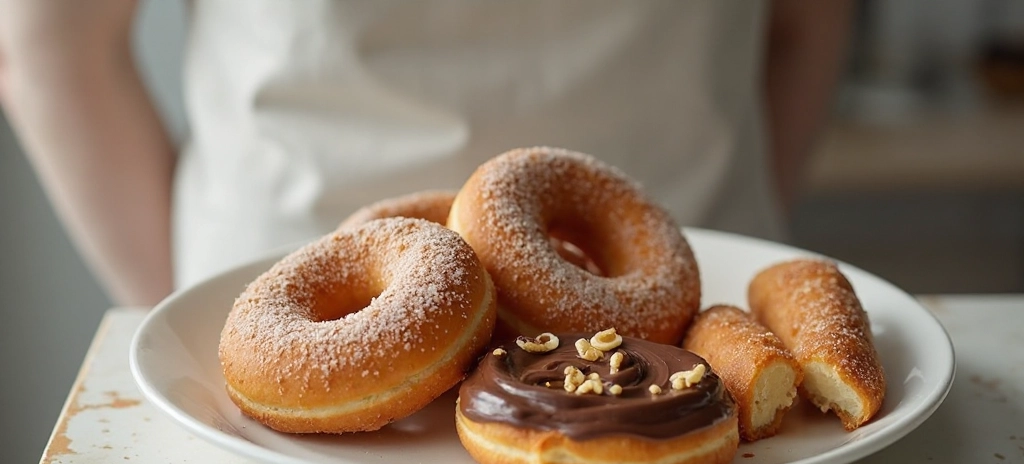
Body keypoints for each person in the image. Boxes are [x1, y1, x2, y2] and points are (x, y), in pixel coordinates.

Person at [0, 0, 853, 306]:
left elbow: (807, 22)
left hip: (693, 330)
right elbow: (45, 48)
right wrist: (197, 329)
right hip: (280, 299)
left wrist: (723, 255)